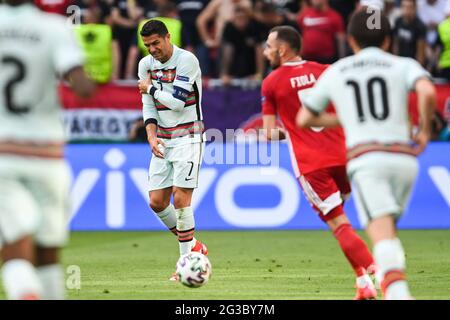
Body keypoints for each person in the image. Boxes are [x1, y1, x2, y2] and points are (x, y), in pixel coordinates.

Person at [298, 9, 436, 299]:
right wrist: (424, 130)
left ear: (350, 40)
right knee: (390, 231)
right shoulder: (403, 64)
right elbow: (427, 91)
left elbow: (304, 118)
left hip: (367, 159)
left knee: (381, 232)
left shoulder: (338, 70)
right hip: (404, 159)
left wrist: (347, 118)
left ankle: (399, 294)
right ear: (388, 40)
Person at [261, 26, 378, 300]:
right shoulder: (327, 70)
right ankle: (362, 282)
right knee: (343, 222)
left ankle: (381, 274)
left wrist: (291, 128)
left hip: (312, 164)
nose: (265, 52)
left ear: (282, 49)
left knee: (339, 225)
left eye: (268, 46)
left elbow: (269, 133)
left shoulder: (272, 82)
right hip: (344, 157)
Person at [0, 0, 95, 299]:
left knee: (15, 246)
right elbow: (83, 86)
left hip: (3, 152)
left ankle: (25, 292)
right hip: (48, 154)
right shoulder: (54, 28)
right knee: (48, 253)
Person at [137, 20, 208, 281]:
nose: (152, 49)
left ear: (168, 37)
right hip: (163, 139)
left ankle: (185, 265)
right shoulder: (145, 65)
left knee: (181, 199)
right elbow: (149, 105)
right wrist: (151, 136)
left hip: (189, 135)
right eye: (147, 45)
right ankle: (195, 246)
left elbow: (177, 103)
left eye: (156, 43)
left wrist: (151, 87)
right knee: (156, 202)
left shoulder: (186, 60)